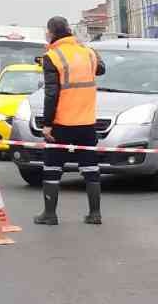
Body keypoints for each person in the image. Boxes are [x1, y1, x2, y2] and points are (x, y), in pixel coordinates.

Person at [35, 16, 106, 226]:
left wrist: (47, 124)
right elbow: (102, 69)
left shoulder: (53, 56)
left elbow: (51, 93)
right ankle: (95, 214)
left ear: (52, 33)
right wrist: (90, 49)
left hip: (62, 124)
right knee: (91, 168)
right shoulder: (88, 53)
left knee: (52, 168)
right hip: (86, 123)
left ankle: (50, 215)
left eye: (47, 32)